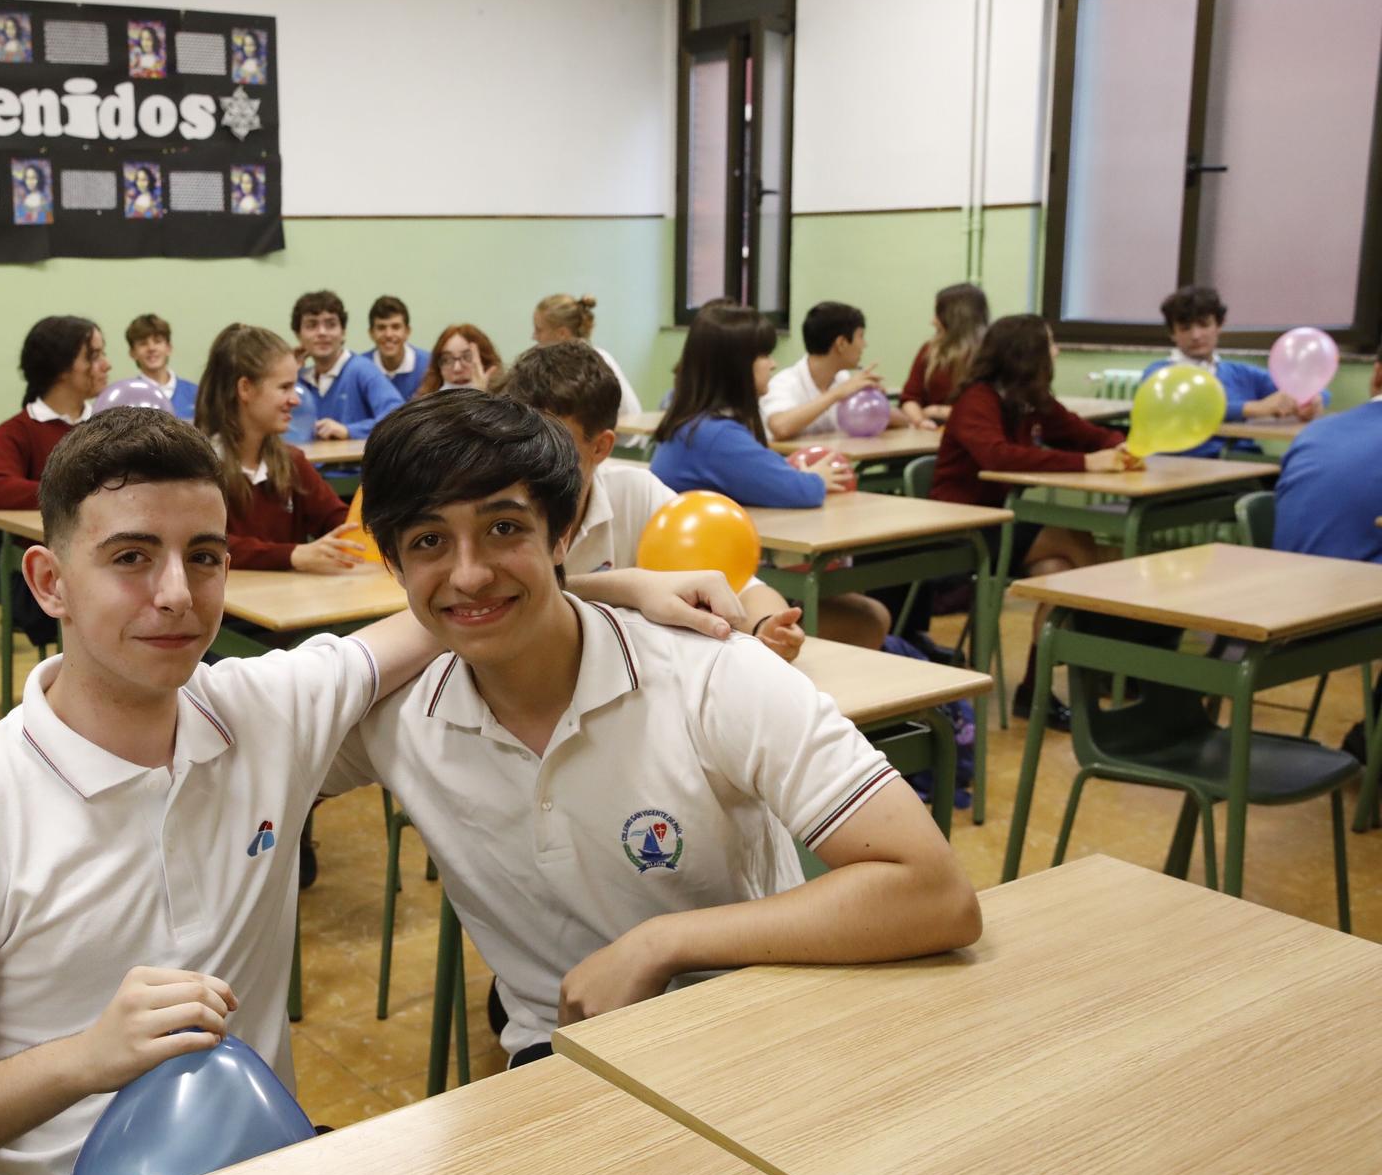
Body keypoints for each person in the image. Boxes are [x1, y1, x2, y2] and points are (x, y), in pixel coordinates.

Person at [0, 408, 747, 1175]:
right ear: (49, 581)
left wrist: (624, 585)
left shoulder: (257, 712)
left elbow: (459, 604)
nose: (174, 593)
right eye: (130, 557)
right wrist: (86, 1057)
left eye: (202, 556)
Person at [324, 390, 982, 1069]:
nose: (469, 572)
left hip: (760, 1028)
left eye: (504, 528)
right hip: (560, 1060)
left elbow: (937, 894)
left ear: (561, 533)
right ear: (395, 565)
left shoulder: (710, 672)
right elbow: (220, 750)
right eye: (430, 541)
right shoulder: (393, 713)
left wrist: (662, 941)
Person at [502, 339, 805, 660]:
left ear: (601, 447)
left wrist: (766, 626)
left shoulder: (636, 492)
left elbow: (738, 586)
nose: (534, 459)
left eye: (555, 445)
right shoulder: (491, 506)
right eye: (521, 440)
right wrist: (630, 587)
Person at [932, 314, 1133, 729]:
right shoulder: (978, 399)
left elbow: (1081, 433)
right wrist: (1086, 464)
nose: (1056, 351)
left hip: (997, 525)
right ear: (1026, 355)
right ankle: (1107, 668)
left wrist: (1124, 446)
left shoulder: (1028, 398)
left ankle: (1035, 693)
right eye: (1050, 343)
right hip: (958, 530)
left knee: (1057, 574)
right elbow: (998, 456)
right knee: (1079, 544)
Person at [651, 302, 890, 650]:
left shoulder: (696, 424)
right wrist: (817, 478)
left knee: (855, 608)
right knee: (868, 618)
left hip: (701, 585)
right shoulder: (717, 435)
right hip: (701, 599)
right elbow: (799, 489)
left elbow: (769, 474)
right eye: (763, 355)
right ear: (736, 367)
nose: (773, 363)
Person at [1273, 356, 1381, 764]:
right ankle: (1371, 741)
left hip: (1284, 590)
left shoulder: (1320, 429)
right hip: (1350, 606)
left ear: (1375, 373)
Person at [194, 323, 361, 572]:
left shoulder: (291, 461)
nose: (295, 400)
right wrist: (291, 555)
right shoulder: (198, 469)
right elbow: (207, 547)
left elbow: (341, 521)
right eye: (285, 387)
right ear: (245, 388)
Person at [1140, 285, 1326, 457]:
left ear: (1219, 326)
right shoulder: (1160, 374)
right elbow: (1190, 407)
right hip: (1188, 467)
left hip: (1244, 461)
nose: (1196, 336)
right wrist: (1254, 408)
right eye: (1185, 328)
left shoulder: (1240, 373)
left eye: (1204, 325)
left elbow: (1312, 390)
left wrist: (1310, 401)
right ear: (1172, 333)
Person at [0, 316, 111, 512]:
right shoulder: (15, 432)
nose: (106, 364)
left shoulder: (108, 424)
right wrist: (80, 495)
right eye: (93, 356)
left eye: (103, 354)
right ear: (60, 367)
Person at [761, 301, 907, 441]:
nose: (864, 345)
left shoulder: (843, 379)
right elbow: (780, 428)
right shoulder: (783, 383)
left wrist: (874, 400)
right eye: (861, 336)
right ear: (841, 343)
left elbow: (904, 421)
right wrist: (837, 394)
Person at [291, 290, 404, 441]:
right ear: (298, 335)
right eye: (312, 325)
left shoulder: (361, 369)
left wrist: (348, 431)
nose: (322, 332)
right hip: (309, 462)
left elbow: (398, 418)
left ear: (343, 332)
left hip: (352, 464)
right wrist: (288, 373)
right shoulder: (298, 377)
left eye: (331, 324)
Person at [532, 292, 642, 421]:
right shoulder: (560, 363)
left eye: (539, 330)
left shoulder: (593, 362)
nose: (534, 336)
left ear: (562, 333)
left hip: (621, 437)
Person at [900, 283, 988, 430]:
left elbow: (988, 411)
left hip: (975, 435)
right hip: (931, 433)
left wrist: (938, 411)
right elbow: (909, 399)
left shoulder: (990, 354)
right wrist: (920, 421)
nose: (932, 322)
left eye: (938, 314)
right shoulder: (929, 351)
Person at [125, 314, 196, 418]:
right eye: (143, 343)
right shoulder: (127, 398)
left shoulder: (195, 394)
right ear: (132, 352)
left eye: (157, 341)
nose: (151, 348)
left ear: (169, 347)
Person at [359, 296, 428, 402]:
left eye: (395, 327)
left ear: (407, 331)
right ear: (371, 333)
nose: (388, 334)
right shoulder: (360, 369)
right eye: (381, 327)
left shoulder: (429, 366)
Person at [416, 323, 502, 396]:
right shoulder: (426, 407)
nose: (457, 368)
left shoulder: (506, 405)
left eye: (467, 357)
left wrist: (480, 395)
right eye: (447, 360)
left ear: (485, 362)